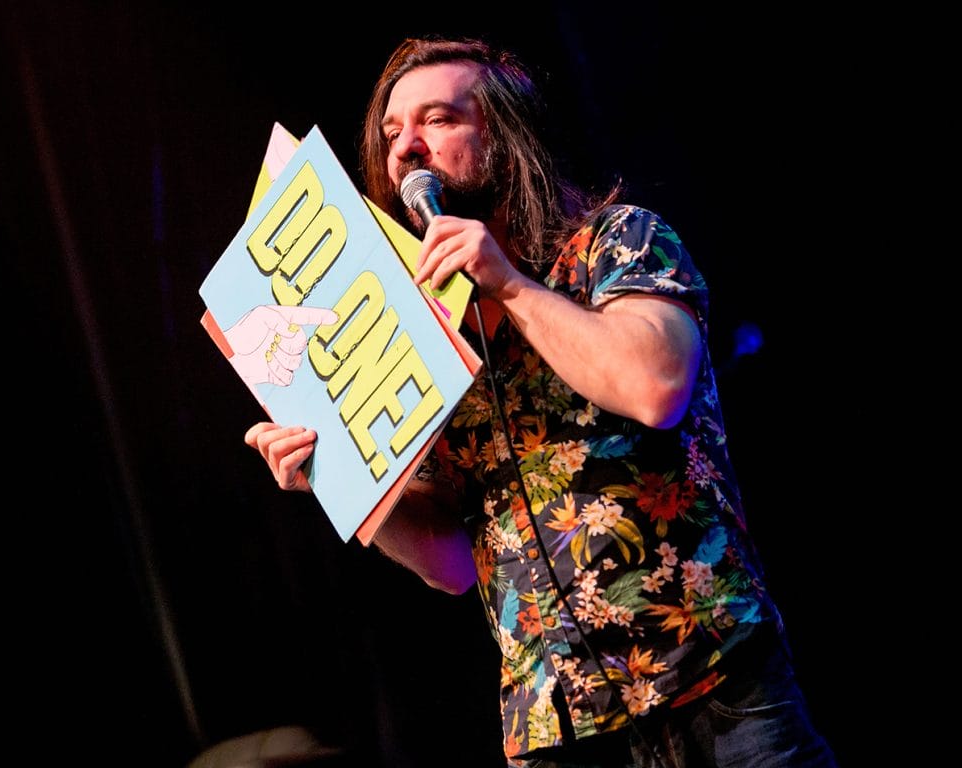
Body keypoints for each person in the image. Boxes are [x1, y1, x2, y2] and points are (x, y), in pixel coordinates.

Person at [244, 36, 838, 768]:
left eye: (438, 120)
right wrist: (337, 480)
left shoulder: (613, 244)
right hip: (556, 723)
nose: (408, 147)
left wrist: (511, 286)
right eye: (393, 134)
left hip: (712, 679)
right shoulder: (419, 339)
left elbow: (656, 386)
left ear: (505, 140)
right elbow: (451, 565)